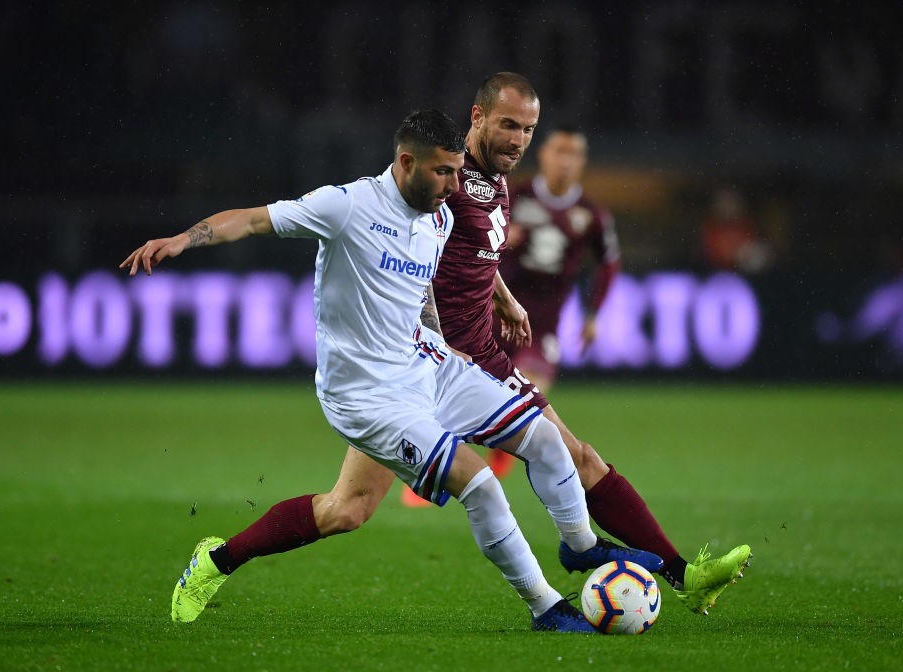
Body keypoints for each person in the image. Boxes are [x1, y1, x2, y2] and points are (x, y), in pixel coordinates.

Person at [121, 109, 651, 632]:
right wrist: (182, 240)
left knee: (529, 438)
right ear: (406, 162)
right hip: (367, 395)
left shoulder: (439, 215)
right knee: (482, 485)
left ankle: (581, 547)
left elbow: (420, 288)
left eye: (457, 171)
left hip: (428, 365)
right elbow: (253, 219)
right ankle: (547, 609)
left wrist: (447, 337)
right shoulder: (346, 205)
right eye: (444, 171)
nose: (454, 184)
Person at [339, 73, 750, 616]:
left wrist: (502, 297)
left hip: (480, 360)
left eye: (528, 130)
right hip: (419, 368)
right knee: (346, 509)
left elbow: (475, 250)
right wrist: (428, 337)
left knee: (577, 454)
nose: (518, 140)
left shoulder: (498, 179)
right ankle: (219, 559)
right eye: (508, 125)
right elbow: (396, 249)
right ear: (477, 117)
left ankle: (682, 576)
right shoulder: (447, 177)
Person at [481, 124, 621, 478]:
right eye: (559, 152)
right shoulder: (514, 196)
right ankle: (436, 465)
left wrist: (593, 313)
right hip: (494, 311)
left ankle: (500, 456)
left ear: (582, 162)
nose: (565, 162)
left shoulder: (591, 215)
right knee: (470, 393)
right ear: (543, 155)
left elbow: (609, 263)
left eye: (573, 154)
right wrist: (499, 237)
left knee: (531, 390)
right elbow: (472, 234)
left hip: (543, 322)